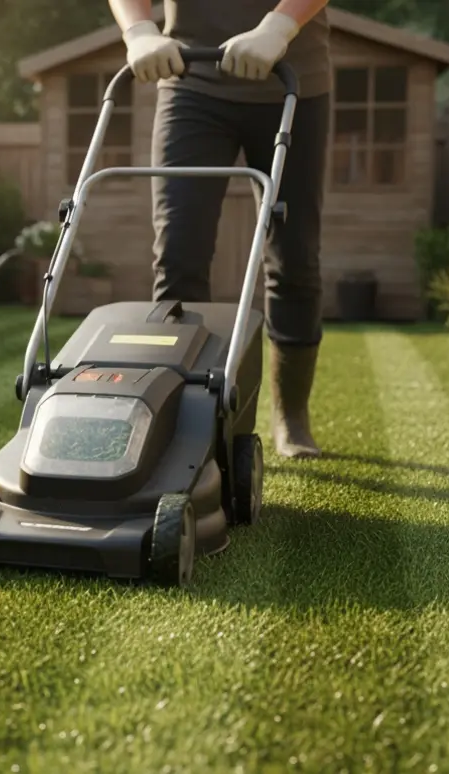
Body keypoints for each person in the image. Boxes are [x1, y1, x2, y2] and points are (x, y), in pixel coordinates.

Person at [107, 0, 331, 459]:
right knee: (179, 254)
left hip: (292, 84)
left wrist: (279, 26)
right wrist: (139, 31)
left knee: (293, 257)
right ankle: (176, 416)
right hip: (191, 82)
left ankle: (291, 416)